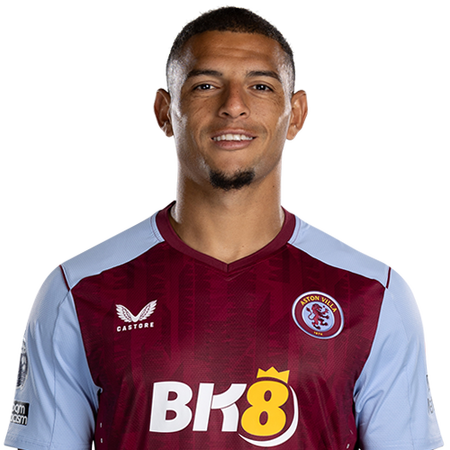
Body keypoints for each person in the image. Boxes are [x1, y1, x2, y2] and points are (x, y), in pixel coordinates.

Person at [2, 3, 446, 450]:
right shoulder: (77, 288)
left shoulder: (375, 292)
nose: (233, 106)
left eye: (260, 86)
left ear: (297, 113)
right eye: (206, 85)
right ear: (163, 112)